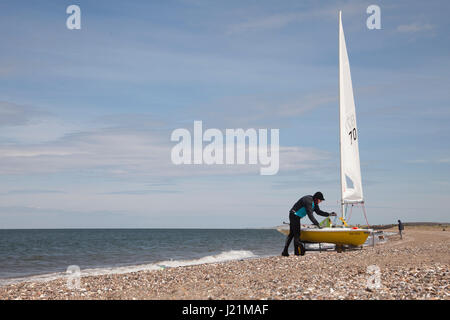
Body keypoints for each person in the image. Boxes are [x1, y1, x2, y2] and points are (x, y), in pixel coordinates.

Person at [281, 192, 337, 256]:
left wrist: (329, 214)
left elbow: (319, 212)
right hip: (293, 215)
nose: (321, 201)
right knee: (296, 234)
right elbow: (310, 215)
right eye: (320, 200)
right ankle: (297, 251)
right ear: (316, 198)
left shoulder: (315, 203)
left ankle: (289, 252)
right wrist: (317, 224)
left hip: (297, 217)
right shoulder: (308, 201)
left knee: (293, 234)